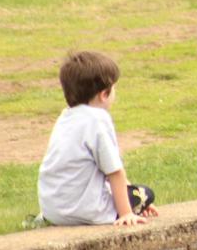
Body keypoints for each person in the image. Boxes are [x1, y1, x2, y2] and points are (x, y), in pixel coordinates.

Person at [38, 51, 159, 226]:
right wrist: (127, 213)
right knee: (146, 193)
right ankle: (132, 206)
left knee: (135, 194)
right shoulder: (98, 120)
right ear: (104, 94)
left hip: (54, 212)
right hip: (87, 211)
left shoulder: (65, 118)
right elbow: (115, 172)